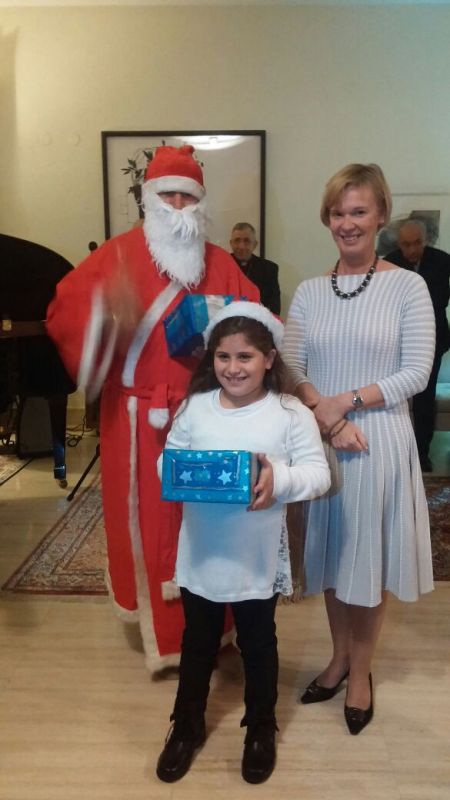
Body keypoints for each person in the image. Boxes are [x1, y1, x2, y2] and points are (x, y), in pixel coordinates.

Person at [46, 145, 260, 674]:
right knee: (145, 525)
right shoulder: (116, 256)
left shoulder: (222, 263)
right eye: (169, 196)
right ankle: (159, 631)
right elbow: (63, 312)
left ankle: (214, 627)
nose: (179, 206)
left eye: (188, 196)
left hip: (207, 417)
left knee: (208, 526)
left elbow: (256, 324)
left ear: (201, 202)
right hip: (136, 420)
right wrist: (105, 315)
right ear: (149, 199)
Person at [283, 164, 435, 735]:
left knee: (365, 561)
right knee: (330, 556)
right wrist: (325, 417)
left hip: (378, 441)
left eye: (358, 212)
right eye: (337, 213)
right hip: (323, 442)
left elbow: (416, 372)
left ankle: (361, 673)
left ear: (380, 216)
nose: (347, 223)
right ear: (327, 218)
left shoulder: (408, 287)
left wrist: (342, 404)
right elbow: (291, 366)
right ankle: (338, 657)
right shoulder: (309, 291)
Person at [155, 301, 330, 784]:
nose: (233, 368)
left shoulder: (289, 413)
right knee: (198, 640)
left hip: (256, 553)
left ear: (269, 358)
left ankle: (260, 727)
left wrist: (279, 480)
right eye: (223, 357)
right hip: (203, 549)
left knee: (258, 642)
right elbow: (168, 460)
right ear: (211, 358)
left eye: (245, 357)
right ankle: (186, 725)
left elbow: (316, 474)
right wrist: (185, 473)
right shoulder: (196, 407)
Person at [384, 218, 450, 471]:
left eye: (417, 243)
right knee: (394, 394)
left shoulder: (442, 261)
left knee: (425, 398)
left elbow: (441, 300)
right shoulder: (389, 264)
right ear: (398, 244)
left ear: (426, 240)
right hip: (396, 341)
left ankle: (421, 454)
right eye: (406, 244)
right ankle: (397, 451)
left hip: (433, 339)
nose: (412, 250)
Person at [230, 223, 281, 314]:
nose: (241, 246)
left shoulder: (269, 269)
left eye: (247, 241)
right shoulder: (221, 266)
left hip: (258, 319)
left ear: (255, 244)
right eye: (237, 240)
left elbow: (274, 308)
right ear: (231, 243)